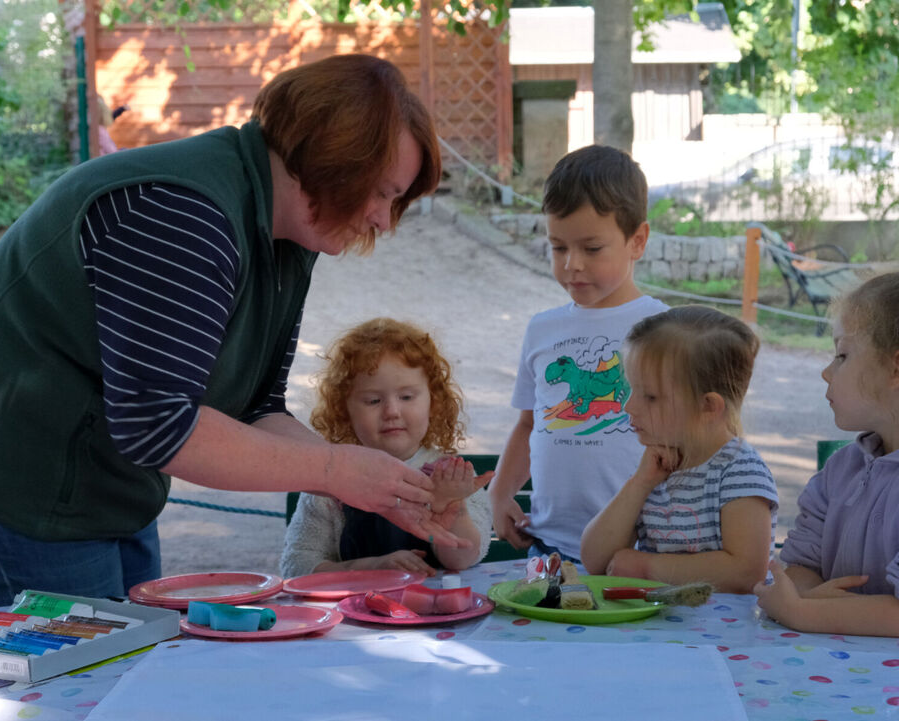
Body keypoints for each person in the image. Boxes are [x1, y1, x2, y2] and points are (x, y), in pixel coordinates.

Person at [0, 54, 459, 609]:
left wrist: (379, 486)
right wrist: (334, 469)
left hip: (108, 481)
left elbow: (256, 407)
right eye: (380, 192)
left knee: (139, 653)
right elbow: (157, 426)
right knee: (88, 662)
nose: (383, 219)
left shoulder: (288, 230)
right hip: (17, 478)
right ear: (332, 161)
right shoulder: (184, 214)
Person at [487, 145, 668, 563]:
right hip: (548, 549)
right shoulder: (542, 329)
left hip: (640, 553)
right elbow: (529, 423)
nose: (572, 264)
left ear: (637, 241)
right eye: (558, 247)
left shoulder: (666, 330)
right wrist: (499, 491)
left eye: (591, 248)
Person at [580, 306, 778, 594]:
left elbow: (746, 571)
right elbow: (595, 560)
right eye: (632, 390)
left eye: (650, 397)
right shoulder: (657, 466)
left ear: (708, 406)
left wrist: (647, 568)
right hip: (659, 622)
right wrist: (640, 484)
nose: (629, 407)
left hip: (723, 624)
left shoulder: (739, 470)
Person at [281, 318, 492, 578]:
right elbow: (296, 565)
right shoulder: (332, 479)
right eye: (373, 400)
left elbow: (463, 559)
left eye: (406, 397)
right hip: (353, 605)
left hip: (438, 603)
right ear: (343, 411)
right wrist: (369, 568)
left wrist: (453, 509)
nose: (392, 411)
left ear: (434, 402)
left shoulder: (451, 476)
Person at [754, 273, 899, 635]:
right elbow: (797, 567)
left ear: (896, 368)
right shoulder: (840, 470)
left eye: (842, 355)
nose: (825, 371)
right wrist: (805, 596)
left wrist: (802, 612)